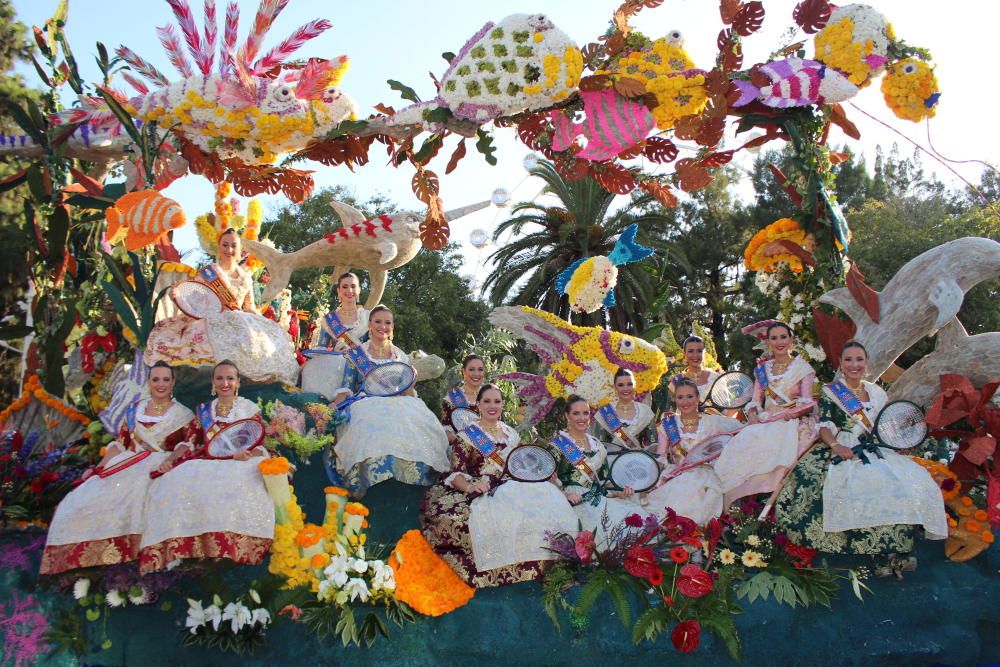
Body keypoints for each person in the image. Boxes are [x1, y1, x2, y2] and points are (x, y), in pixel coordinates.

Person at [776, 341, 948, 566]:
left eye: (859, 359)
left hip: (874, 447)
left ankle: (893, 550)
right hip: (843, 444)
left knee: (908, 479)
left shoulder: (877, 393)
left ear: (866, 363)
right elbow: (825, 426)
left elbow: (885, 426)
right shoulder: (832, 392)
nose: (854, 364)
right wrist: (836, 446)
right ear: (841, 363)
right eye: (848, 360)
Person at [40, 362, 195, 575]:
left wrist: (170, 461)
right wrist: (96, 469)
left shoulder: (184, 415)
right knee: (81, 499)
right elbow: (120, 445)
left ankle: (135, 559)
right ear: (148, 382)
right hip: (125, 463)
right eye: (156, 379)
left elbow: (188, 445)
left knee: (140, 498)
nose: (161, 384)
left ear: (173, 383)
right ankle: (85, 561)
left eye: (166, 380)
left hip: (159, 467)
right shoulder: (134, 411)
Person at [421, 385, 577, 587]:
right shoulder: (467, 436)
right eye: (487, 401)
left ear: (503, 405)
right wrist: (471, 487)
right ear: (478, 404)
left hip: (517, 486)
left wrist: (548, 478)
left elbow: (524, 465)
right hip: (487, 489)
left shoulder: (511, 434)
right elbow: (455, 472)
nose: (492, 406)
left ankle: (551, 568)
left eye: (497, 401)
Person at [138, 360, 274, 573]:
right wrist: (169, 461)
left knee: (243, 480)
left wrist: (246, 455)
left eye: (230, 378)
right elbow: (190, 442)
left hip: (242, 461)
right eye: (219, 378)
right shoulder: (204, 411)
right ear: (213, 382)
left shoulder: (248, 409)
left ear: (238, 382)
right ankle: (192, 548)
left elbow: (259, 444)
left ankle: (233, 547)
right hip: (210, 461)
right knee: (178, 479)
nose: (225, 383)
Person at [145, 228, 298, 384]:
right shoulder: (209, 272)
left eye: (233, 246)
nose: (229, 249)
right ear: (219, 247)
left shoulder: (245, 277)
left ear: (240, 251)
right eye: (225, 245)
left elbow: (248, 306)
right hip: (211, 318)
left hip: (239, 319)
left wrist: (260, 323)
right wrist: (177, 294)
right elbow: (194, 299)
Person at [329, 305, 450, 497]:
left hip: (399, 401)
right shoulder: (357, 355)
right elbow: (346, 387)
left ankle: (413, 475)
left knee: (413, 418)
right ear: (369, 324)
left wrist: (417, 405)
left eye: (387, 323)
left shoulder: (400, 355)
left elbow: (407, 390)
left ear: (392, 327)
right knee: (371, 418)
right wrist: (334, 406)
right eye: (378, 321)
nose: (382, 326)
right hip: (367, 402)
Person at [713, 322, 817, 507]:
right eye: (774, 338)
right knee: (743, 443)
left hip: (791, 420)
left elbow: (808, 402)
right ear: (768, 341)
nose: (779, 342)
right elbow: (755, 401)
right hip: (764, 421)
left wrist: (790, 414)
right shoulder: (762, 369)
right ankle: (738, 502)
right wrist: (752, 414)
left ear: (791, 339)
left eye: (783, 337)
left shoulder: (803, 368)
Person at [551, 395, 651, 541]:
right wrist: (566, 495)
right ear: (567, 415)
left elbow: (604, 482)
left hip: (597, 496)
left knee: (633, 519)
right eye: (576, 413)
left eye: (585, 413)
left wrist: (620, 492)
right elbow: (548, 481)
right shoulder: (558, 445)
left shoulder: (597, 445)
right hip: (573, 500)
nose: (582, 418)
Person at [643, 378, 741, 526]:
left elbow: (741, 430)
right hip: (677, 473)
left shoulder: (712, 422)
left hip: (706, 475)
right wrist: (651, 479)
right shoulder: (668, 425)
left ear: (697, 398)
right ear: (675, 400)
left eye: (690, 396)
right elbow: (661, 458)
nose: (685, 402)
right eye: (680, 397)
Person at [302, 272, 370, 398]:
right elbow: (321, 347)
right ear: (338, 291)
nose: (349, 290)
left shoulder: (368, 317)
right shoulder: (329, 320)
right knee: (311, 369)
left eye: (353, 286)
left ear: (359, 290)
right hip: (334, 361)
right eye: (344, 287)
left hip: (361, 363)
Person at [591, 368, 655, 451]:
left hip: (639, 461)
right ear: (614, 388)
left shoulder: (645, 412)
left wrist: (641, 451)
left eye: (629, 384)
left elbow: (654, 445)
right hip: (611, 462)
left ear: (634, 386)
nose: (625, 388)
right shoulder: (605, 413)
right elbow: (597, 447)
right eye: (621, 385)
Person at [440, 354, 485, 442]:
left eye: (480, 369)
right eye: (471, 369)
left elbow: (499, 427)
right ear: (463, 371)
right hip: (460, 453)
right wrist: (465, 444)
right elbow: (445, 431)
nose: (476, 374)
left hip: (489, 453)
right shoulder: (451, 398)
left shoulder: (492, 397)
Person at [669, 335, 722, 404]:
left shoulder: (716, 378)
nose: (695, 355)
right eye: (691, 351)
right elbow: (669, 410)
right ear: (685, 354)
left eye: (699, 351)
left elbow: (726, 411)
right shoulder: (676, 381)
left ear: (704, 353)